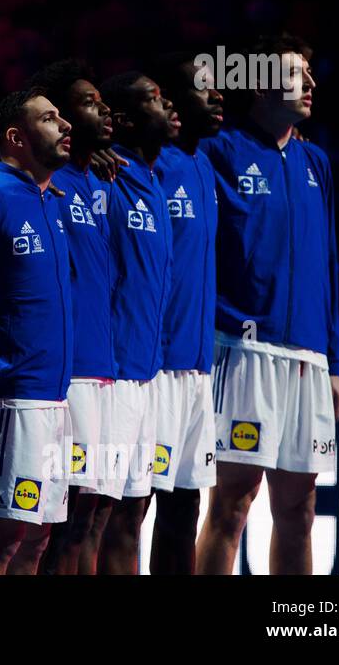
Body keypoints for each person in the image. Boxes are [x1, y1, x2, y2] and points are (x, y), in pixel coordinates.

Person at [196, 34, 339, 575]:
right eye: (294, 74)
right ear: (257, 84)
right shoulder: (218, 151)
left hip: (308, 359)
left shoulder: (315, 161)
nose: (309, 84)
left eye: (309, 74)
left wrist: (335, 364)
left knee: (299, 511)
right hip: (241, 350)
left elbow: (327, 268)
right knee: (231, 505)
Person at [0, 87, 74, 575]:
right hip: (10, 395)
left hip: (53, 396)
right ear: (15, 136)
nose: (66, 126)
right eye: (50, 119)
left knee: (37, 540)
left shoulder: (52, 199)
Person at [95, 70, 176, 575]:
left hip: (150, 376)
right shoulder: (103, 177)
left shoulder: (157, 176)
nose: (167, 106)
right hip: (112, 374)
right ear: (123, 120)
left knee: (133, 516)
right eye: (154, 99)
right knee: (93, 520)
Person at [147, 52, 223, 573]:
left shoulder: (204, 164)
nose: (218, 95)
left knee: (186, 507)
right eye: (204, 88)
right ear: (173, 105)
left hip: (198, 369)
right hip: (153, 368)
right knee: (128, 509)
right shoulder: (146, 167)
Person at [42, 60, 118, 574]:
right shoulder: (50, 183)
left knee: (98, 515)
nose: (102, 110)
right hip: (72, 377)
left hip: (109, 373)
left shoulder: (101, 179)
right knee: (63, 521)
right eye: (88, 102)